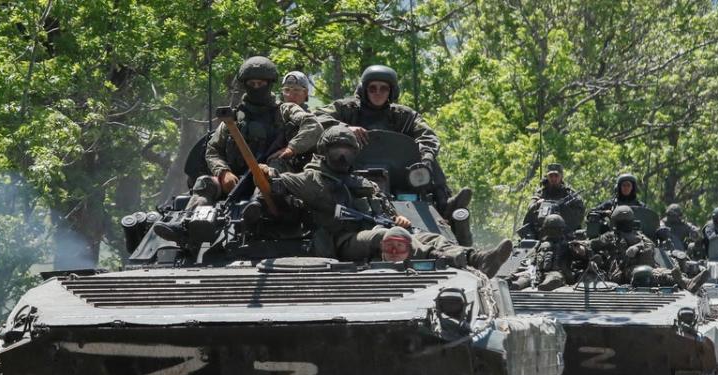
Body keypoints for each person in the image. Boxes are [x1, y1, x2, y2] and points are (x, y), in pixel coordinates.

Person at [260, 126, 512, 275]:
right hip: (343, 240)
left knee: (431, 237)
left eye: (347, 150)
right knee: (388, 236)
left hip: (380, 228)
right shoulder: (312, 180)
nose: (341, 155)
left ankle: (476, 259)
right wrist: (268, 172)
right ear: (325, 152)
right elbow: (278, 183)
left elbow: (387, 213)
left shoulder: (364, 183)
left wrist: (397, 218)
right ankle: (449, 261)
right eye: (336, 149)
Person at [315, 65, 474, 244]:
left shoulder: (403, 116)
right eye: (372, 88)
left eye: (384, 88)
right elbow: (315, 120)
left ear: (392, 91)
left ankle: (445, 206)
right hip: (347, 173)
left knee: (429, 160)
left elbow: (427, 136)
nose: (378, 93)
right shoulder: (347, 109)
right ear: (363, 90)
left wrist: (426, 159)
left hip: (400, 178)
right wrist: (344, 128)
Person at [204, 56, 322, 192]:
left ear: (269, 84)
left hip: (275, 181)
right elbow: (213, 150)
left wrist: (291, 148)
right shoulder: (234, 118)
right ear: (245, 85)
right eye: (252, 84)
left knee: (268, 179)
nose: (256, 88)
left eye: (260, 84)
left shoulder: (285, 110)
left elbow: (313, 126)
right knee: (204, 184)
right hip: (236, 182)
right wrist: (223, 172)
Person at [590, 206, 707, 292]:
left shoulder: (638, 235)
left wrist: (637, 247)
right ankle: (683, 281)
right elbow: (593, 244)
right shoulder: (611, 236)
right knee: (646, 272)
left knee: (659, 271)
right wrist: (579, 245)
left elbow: (651, 245)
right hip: (621, 270)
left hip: (646, 267)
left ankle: (686, 282)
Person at [508, 214, 588, 290]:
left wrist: (579, 249)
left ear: (561, 230)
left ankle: (545, 286)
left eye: (554, 229)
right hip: (537, 273)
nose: (552, 232)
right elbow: (529, 260)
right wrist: (517, 272)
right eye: (549, 229)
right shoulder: (540, 245)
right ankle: (516, 285)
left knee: (553, 278)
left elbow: (582, 257)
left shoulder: (567, 245)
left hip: (557, 273)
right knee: (524, 278)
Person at [518, 164, 584, 240]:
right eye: (551, 176)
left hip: (564, 233)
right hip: (541, 232)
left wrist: (565, 209)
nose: (553, 178)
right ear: (547, 176)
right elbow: (530, 206)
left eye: (556, 175)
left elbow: (579, 213)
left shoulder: (569, 194)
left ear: (561, 176)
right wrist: (538, 204)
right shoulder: (541, 193)